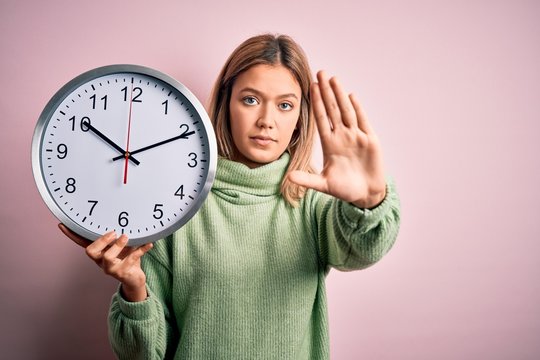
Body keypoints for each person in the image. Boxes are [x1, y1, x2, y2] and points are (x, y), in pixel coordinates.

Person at [60, 33, 401, 359]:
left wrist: (368, 202)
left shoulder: (312, 201)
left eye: (285, 105)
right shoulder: (174, 205)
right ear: (227, 103)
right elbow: (143, 354)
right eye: (250, 100)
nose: (266, 120)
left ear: (299, 118)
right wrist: (134, 288)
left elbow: (361, 251)